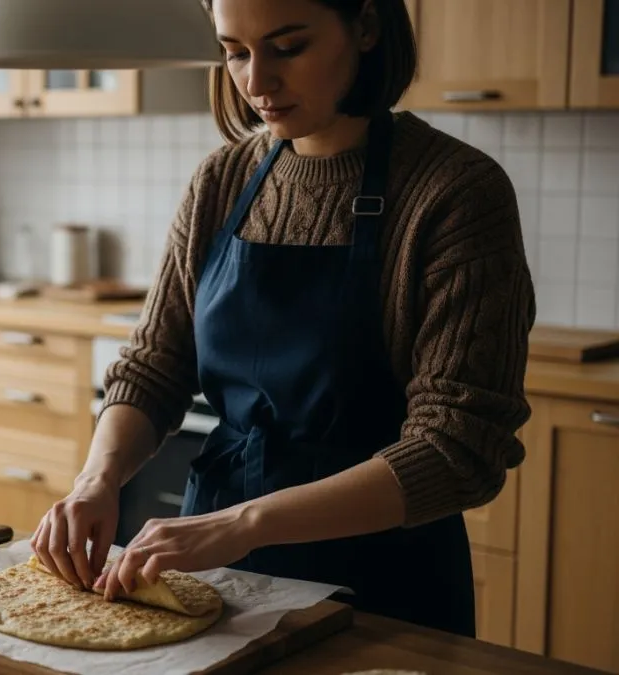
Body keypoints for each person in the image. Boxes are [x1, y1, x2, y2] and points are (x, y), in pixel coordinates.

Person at [29, 0, 536, 638]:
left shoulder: (456, 192)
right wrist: (95, 480)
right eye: (235, 52)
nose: (256, 83)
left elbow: (458, 448)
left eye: (288, 48)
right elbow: (156, 364)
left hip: (381, 576)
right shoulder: (223, 179)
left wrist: (245, 523)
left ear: (366, 26)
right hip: (210, 568)